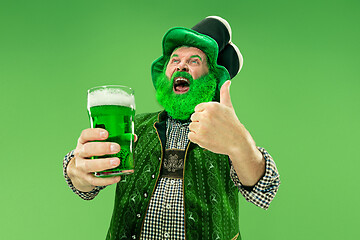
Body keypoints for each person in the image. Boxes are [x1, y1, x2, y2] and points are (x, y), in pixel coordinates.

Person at [63, 16, 280, 240]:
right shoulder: (133, 127)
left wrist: (240, 144)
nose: (181, 65)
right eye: (174, 60)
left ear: (210, 80)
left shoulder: (226, 133)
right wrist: (77, 171)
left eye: (194, 61)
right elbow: (84, 183)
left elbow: (264, 189)